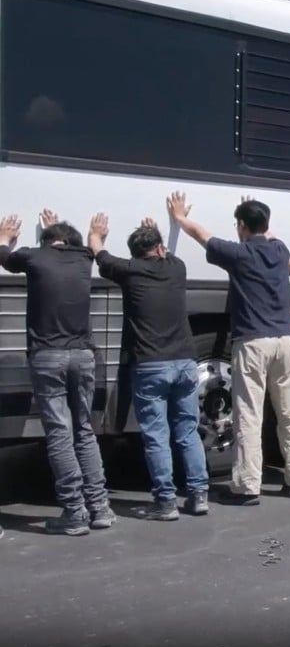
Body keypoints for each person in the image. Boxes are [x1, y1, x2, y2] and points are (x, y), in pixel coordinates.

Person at [169, 192, 290, 505]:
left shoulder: (238, 254)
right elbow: (267, 232)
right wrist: (253, 212)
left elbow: (202, 235)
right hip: (286, 341)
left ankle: (247, 487)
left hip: (253, 341)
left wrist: (179, 218)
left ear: (242, 226)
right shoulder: (280, 249)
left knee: (248, 414)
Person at [89, 210, 209, 520]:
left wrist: (95, 235)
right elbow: (165, 252)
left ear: (134, 253)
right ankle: (198, 495)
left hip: (151, 365)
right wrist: (155, 229)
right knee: (187, 431)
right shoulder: (177, 268)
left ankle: (166, 502)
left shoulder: (128, 271)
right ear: (159, 248)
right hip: (185, 362)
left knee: (157, 435)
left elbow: (101, 256)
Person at [0, 210, 114, 536]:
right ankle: (100, 508)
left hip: (48, 356)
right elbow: (83, 245)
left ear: (46, 242)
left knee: (60, 434)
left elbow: (4, 256)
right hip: (83, 355)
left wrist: (5, 237)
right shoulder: (84, 259)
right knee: (84, 431)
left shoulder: (34, 257)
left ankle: (75, 513)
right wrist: (92, 234)